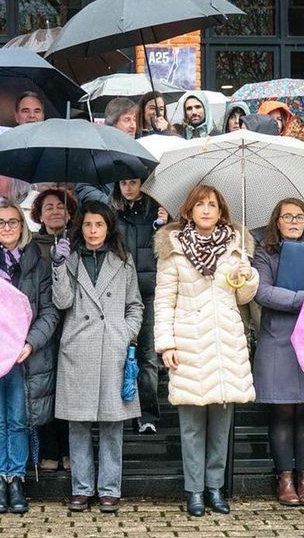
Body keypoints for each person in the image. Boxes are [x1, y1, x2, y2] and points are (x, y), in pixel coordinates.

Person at [154, 185, 258, 517]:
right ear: (188, 210)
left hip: (225, 340)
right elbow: (164, 300)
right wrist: (166, 343)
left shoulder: (235, 248)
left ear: (221, 210)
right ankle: (194, 491)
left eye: (212, 204)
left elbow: (242, 298)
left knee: (221, 423)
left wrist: (248, 276)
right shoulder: (173, 250)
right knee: (192, 424)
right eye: (200, 204)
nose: (206, 209)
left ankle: (215, 488)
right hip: (189, 341)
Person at [0, 202, 59, 514]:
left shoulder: (38, 263)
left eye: (13, 222)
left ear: (23, 226)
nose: (6, 227)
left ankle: (16, 478)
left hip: (22, 355)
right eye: (0, 222)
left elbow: (49, 312)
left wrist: (32, 343)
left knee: (18, 418)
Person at [52, 201, 143, 513]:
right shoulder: (71, 259)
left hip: (112, 348)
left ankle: (109, 489)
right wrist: (58, 265)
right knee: (78, 424)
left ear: (108, 227)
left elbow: (135, 305)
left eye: (99, 225)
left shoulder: (123, 260)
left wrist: (125, 332)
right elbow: (62, 302)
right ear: (81, 227)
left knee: (111, 424)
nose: (93, 231)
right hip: (78, 349)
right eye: (88, 225)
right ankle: (81, 488)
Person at [253, 198, 304, 506]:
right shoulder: (265, 252)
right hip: (278, 340)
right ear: (277, 221)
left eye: (300, 216)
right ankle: (285, 478)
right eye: (288, 216)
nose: (295, 221)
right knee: (283, 409)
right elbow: (263, 291)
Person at [110, 178, 168, 434]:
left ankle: (148, 414)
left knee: (147, 354)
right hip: (118, 290)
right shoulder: (112, 214)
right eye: (123, 183)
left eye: (133, 183)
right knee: (117, 353)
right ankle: (118, 410)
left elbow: (165, 250)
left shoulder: (157, 213)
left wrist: (162, 227)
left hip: (148, 290)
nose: (128, 188)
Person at [27, 187, 75, 473]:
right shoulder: (31, 244)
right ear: (39, 214)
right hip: (42, 326)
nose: (56, 211)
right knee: (44, 387)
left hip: (71, 323)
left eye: (61, 206)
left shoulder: (78, 242)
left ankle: (70, 450)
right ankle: (49, 450)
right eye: (49, 207)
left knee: (68, 389)